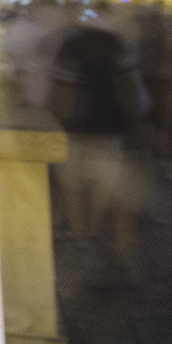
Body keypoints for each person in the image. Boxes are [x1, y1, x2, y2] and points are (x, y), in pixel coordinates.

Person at [49, 24, 149, 262]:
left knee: (70, 184)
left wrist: (57, 124)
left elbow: (63, 91)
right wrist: (134, 123)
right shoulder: (117, 46)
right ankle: (93, 229)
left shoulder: (71, 47)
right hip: (110, 128)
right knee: (103, 184)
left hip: (74, 129)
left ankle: (78, 237)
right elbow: (129, 86)